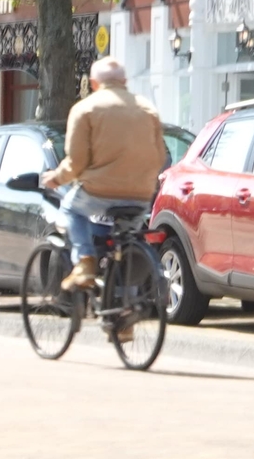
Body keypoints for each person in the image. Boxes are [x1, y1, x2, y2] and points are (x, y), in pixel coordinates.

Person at [41, 55, 165, 291]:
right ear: (125, 81)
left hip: (98, 191)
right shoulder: (148, 109)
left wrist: (57, 178)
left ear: (94, 83)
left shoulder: (85, 109)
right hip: (140, 194)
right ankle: (126, 311)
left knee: (70, 209)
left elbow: (76, 161)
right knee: (128, 245)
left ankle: (86, 261)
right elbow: (159, 156)